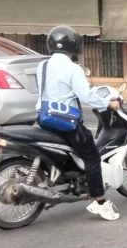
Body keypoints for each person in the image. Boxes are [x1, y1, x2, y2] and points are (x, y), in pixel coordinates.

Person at [36, 25, 121, 220]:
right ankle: (100, 202)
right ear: (74, 45)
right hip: (66, 123)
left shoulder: (43, 66)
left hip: (44, 118)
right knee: (92, 157)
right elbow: (86, 96)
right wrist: (108, 103)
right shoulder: (74, 69)